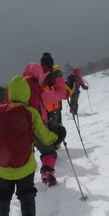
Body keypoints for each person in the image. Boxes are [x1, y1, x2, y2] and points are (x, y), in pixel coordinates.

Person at [0, 75, 66, 216]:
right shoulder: (30, 113)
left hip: (2, 167)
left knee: (2, 196)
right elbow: (45, 138)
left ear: (10, 93)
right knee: (26, 194)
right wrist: (59, 136)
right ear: (26, 93)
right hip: (24, 165)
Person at [37, 52, 69, 185]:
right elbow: (63, 93)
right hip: (51, 107)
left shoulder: (36, 77)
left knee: (45, 136)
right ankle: (52, 155)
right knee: (53, 133)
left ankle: (51, 152)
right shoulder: (52, 75)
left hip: (43, 111)